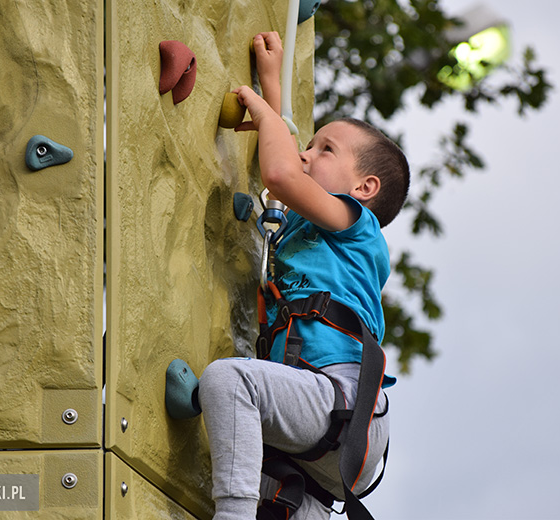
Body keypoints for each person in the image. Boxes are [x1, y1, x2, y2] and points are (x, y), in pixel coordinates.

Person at [197, 32, 410, 520]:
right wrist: (272, 85)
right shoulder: (302, 227)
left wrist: (267, 114)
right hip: (315, 433)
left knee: (230, 382)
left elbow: (281, 173)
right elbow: (286, 165)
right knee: (273, 490)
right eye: (308, 146)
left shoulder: (357, 226)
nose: (308, 154)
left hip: (340, 402)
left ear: (365, 186)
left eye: (326, 149)